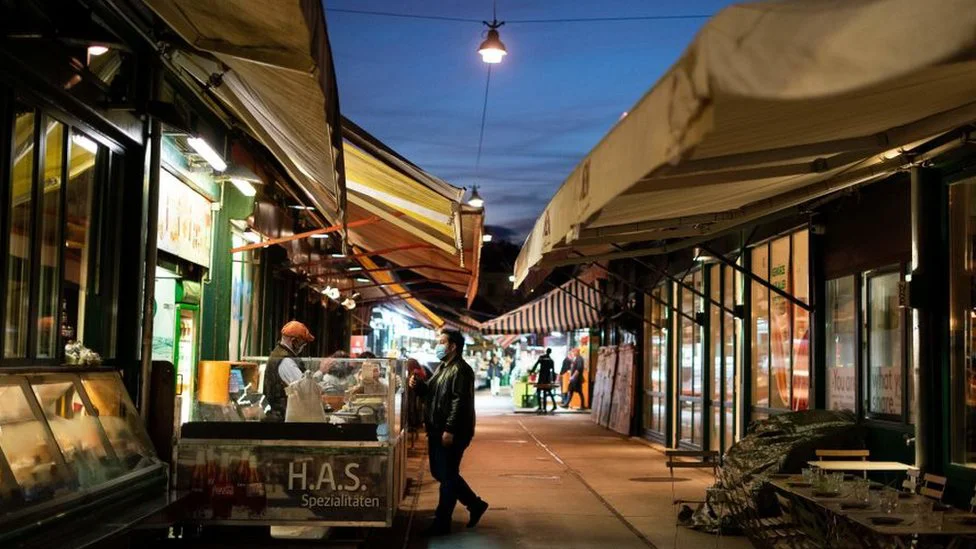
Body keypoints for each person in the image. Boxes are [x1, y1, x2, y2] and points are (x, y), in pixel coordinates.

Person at [408, 329, 488, 536]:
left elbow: (459, 402)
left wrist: (450, 430)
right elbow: (431, 394)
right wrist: (418, 386)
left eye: (442, 342)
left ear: (453, 346)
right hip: (436, 429)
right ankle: (475, 504)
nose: (438, 345)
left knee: (448, 476)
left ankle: (442, 522)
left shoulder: (461, 370)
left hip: (451, 431)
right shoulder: (444, 368)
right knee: (441, 473)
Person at [262, 320, 315, 422]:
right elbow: (304, 388)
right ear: (294, 341)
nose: (303, 347)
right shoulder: (286, 361)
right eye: (303, 343)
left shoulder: (279, 354)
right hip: (283, 419)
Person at [530, 348, 558, 413]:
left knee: (538, 391)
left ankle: (540, 407)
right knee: (546, 392)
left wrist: (532, 371)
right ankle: (545, 408)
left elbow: (536, 364)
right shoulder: (551, 360)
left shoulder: (541, 358)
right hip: (547, 378)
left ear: (546, 351)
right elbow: (553, 371)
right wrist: (553, 379)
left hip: (541, 377)